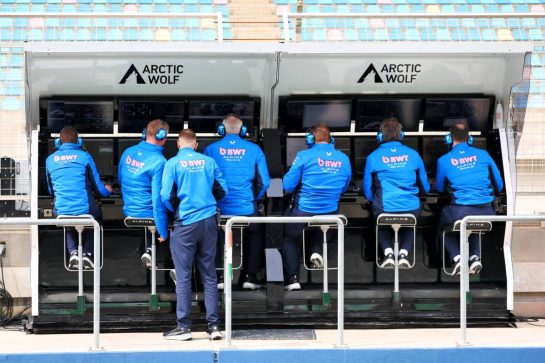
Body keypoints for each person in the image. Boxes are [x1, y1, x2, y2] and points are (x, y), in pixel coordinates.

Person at [161, 129, 228, 341]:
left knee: (183, 277)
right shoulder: (208, 161)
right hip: (209, 222)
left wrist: (178, 211)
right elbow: (222, 189)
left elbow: (165, 195)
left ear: (179, 145)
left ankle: (184, 327)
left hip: (185, 224)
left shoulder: (171, 163)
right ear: (196, 144)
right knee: (209, 275)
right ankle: (214, 327)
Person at [204, 114, 271, 290]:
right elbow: (265, 182)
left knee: (215, 233)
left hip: (219, 210)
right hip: (246, 209)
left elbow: (205, 181)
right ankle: (250, 276)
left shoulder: (210, 149)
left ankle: (218, 276)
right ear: (243, 130)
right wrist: (252, 199)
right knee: (256, 231)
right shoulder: (255, 149)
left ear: (221, 129)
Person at [282, 124, 351, 291]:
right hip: (330, 213)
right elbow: (344, 187)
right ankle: (316, 251)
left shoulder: (303, 156)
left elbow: (288, 186)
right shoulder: (343, 158)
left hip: (303, 211)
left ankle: (293, 279)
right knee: (321, 225)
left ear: (310, 140)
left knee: (288, 237)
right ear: (331, 140)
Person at [436, 123, 504, 275]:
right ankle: (475, 258)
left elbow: (440, 189)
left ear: (449, 139)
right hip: (487, 213)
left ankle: (457, 257)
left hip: (461, 211)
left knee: (442, 225)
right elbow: (499, 184)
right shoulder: (484, 154)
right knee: (472, 224)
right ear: (470, 138)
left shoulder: (444, 160)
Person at [364, 118, 430, 269]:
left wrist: (371, 199)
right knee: (409, 225)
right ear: (402, 135)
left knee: (381, 224)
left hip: (384, 208)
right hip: (411, 208)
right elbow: (425, 188)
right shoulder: (414, 155)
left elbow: (367, 189)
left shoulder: (373, 157)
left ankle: (388, 253)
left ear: (380, 136)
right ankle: (403, 254)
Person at [45, 126, 113, 270]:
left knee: (68, 222)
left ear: (58, 142)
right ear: (79, 141)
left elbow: (51, 189)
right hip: (86, 210)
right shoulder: (85, 157)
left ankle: (73, 252)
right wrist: (108, 191)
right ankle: (87, 254)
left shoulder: (49, 160)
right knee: (94, 218)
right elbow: (98, 188)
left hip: (61, 211)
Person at [118, 119, 170, 268]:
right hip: (147, 212)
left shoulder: (128, 152)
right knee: (180, 219)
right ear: (162, 136)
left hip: (129, 210)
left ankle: (147, 249)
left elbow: (121, 180)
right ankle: (172, 269)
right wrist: (163, 232)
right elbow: (158, 199)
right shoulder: (159, 161)